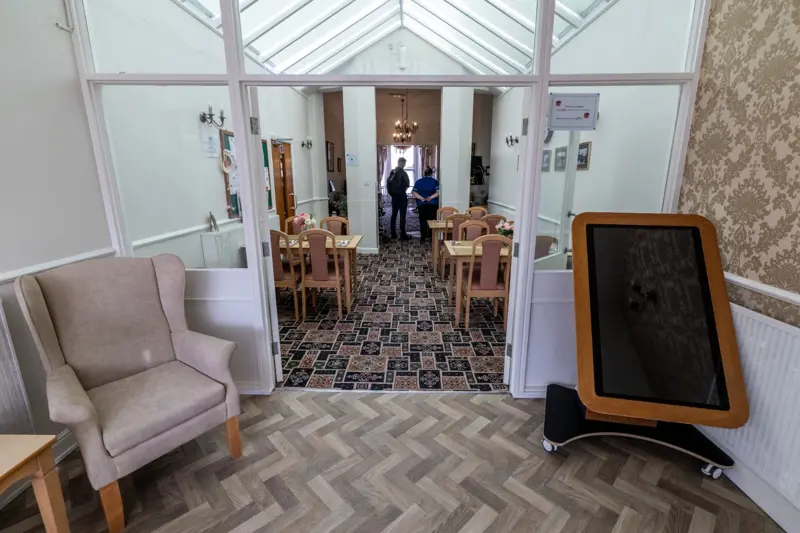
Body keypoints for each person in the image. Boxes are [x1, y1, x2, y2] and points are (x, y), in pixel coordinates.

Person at [412, 167, 439, 243]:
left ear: (424, 174)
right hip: (432, 204)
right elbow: (438, 192)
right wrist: (431, 197)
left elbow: (414, 192)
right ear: (431, 173)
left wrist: (421, 198)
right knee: (432, 221)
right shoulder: (435, 182)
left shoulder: (418, 182)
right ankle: (431, 237)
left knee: (422, 220)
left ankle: (423, 237)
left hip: (422, 204)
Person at [387, 157, 411, 240]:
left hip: (394, 197)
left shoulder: (392, 172)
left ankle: (393, 234)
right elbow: (407, 184)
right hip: (402, 197)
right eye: (404, 163)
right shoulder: (403, 173)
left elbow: (388, 184)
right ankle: (403, 234)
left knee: (394, 215)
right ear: (402, 163)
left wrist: (392, 194)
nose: (404, 164)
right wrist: (402, 190)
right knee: (402, 216)